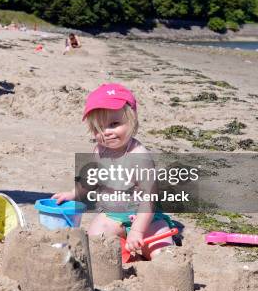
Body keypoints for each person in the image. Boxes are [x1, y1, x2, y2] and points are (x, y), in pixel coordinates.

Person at [52, 83, 175, 260]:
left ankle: (143, 248)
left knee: (162, 252)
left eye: (114, 124)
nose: (106, 133)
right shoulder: (99, 151)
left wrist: (137, 231)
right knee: (95, 240)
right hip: (112, 215)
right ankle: (125, 253)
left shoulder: (140, 156)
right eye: (98, 129)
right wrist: (74, 193)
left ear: (132, 119)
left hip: (145, 218)